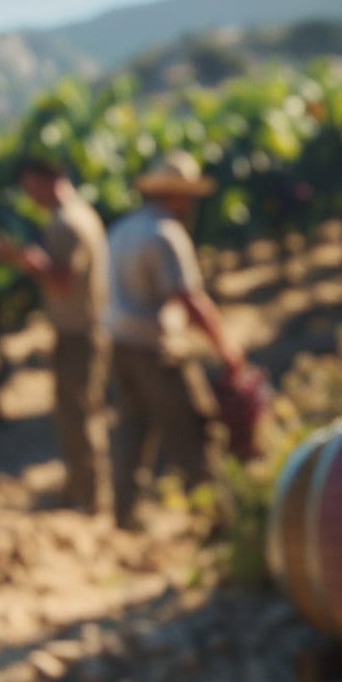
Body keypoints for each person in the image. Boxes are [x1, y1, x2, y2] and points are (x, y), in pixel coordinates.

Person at [105, 150, 244, 531]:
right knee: (193, 429)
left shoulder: (122, 229)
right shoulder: (166, 233)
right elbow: (189, 297)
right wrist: (225, 346)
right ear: (179, 195)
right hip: (155, 346)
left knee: (133, 428)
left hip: (120, 341)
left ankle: (125, 513)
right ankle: (217, 519)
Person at [0, 157, 111, 514]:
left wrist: (22, 258)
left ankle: (89, 498)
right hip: (81, 329)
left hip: (80, 333)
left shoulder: (68, 223)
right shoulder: (80, 215)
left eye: (31, 188)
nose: (30, 197)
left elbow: (61, 281)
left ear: (50, 181)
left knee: (80, 414)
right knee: (76, 412)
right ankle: (80, 491)